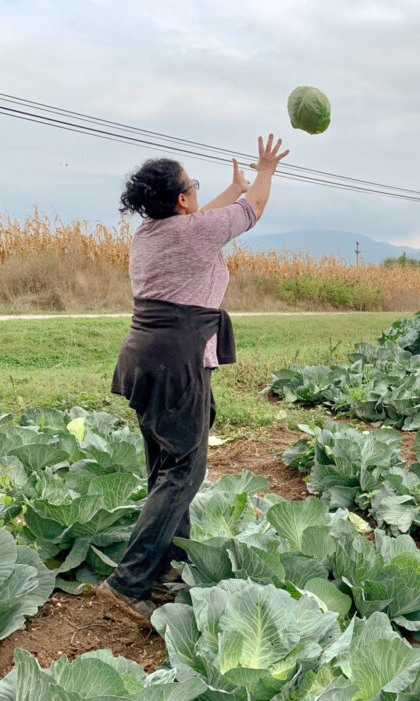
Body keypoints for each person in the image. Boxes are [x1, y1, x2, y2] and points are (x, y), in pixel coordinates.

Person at [96, 135, 289, 624]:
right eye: (193, 187)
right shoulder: (191, 233)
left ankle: (165, 566)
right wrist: (264, 170)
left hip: (147, 356)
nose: (198, 195)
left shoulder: (150, 232)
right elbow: (254, 208)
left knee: (166, 465)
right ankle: (129, 581)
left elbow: (202, 220)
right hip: (176, 359)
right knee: (185, 469)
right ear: (182, 199)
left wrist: (229, 187)